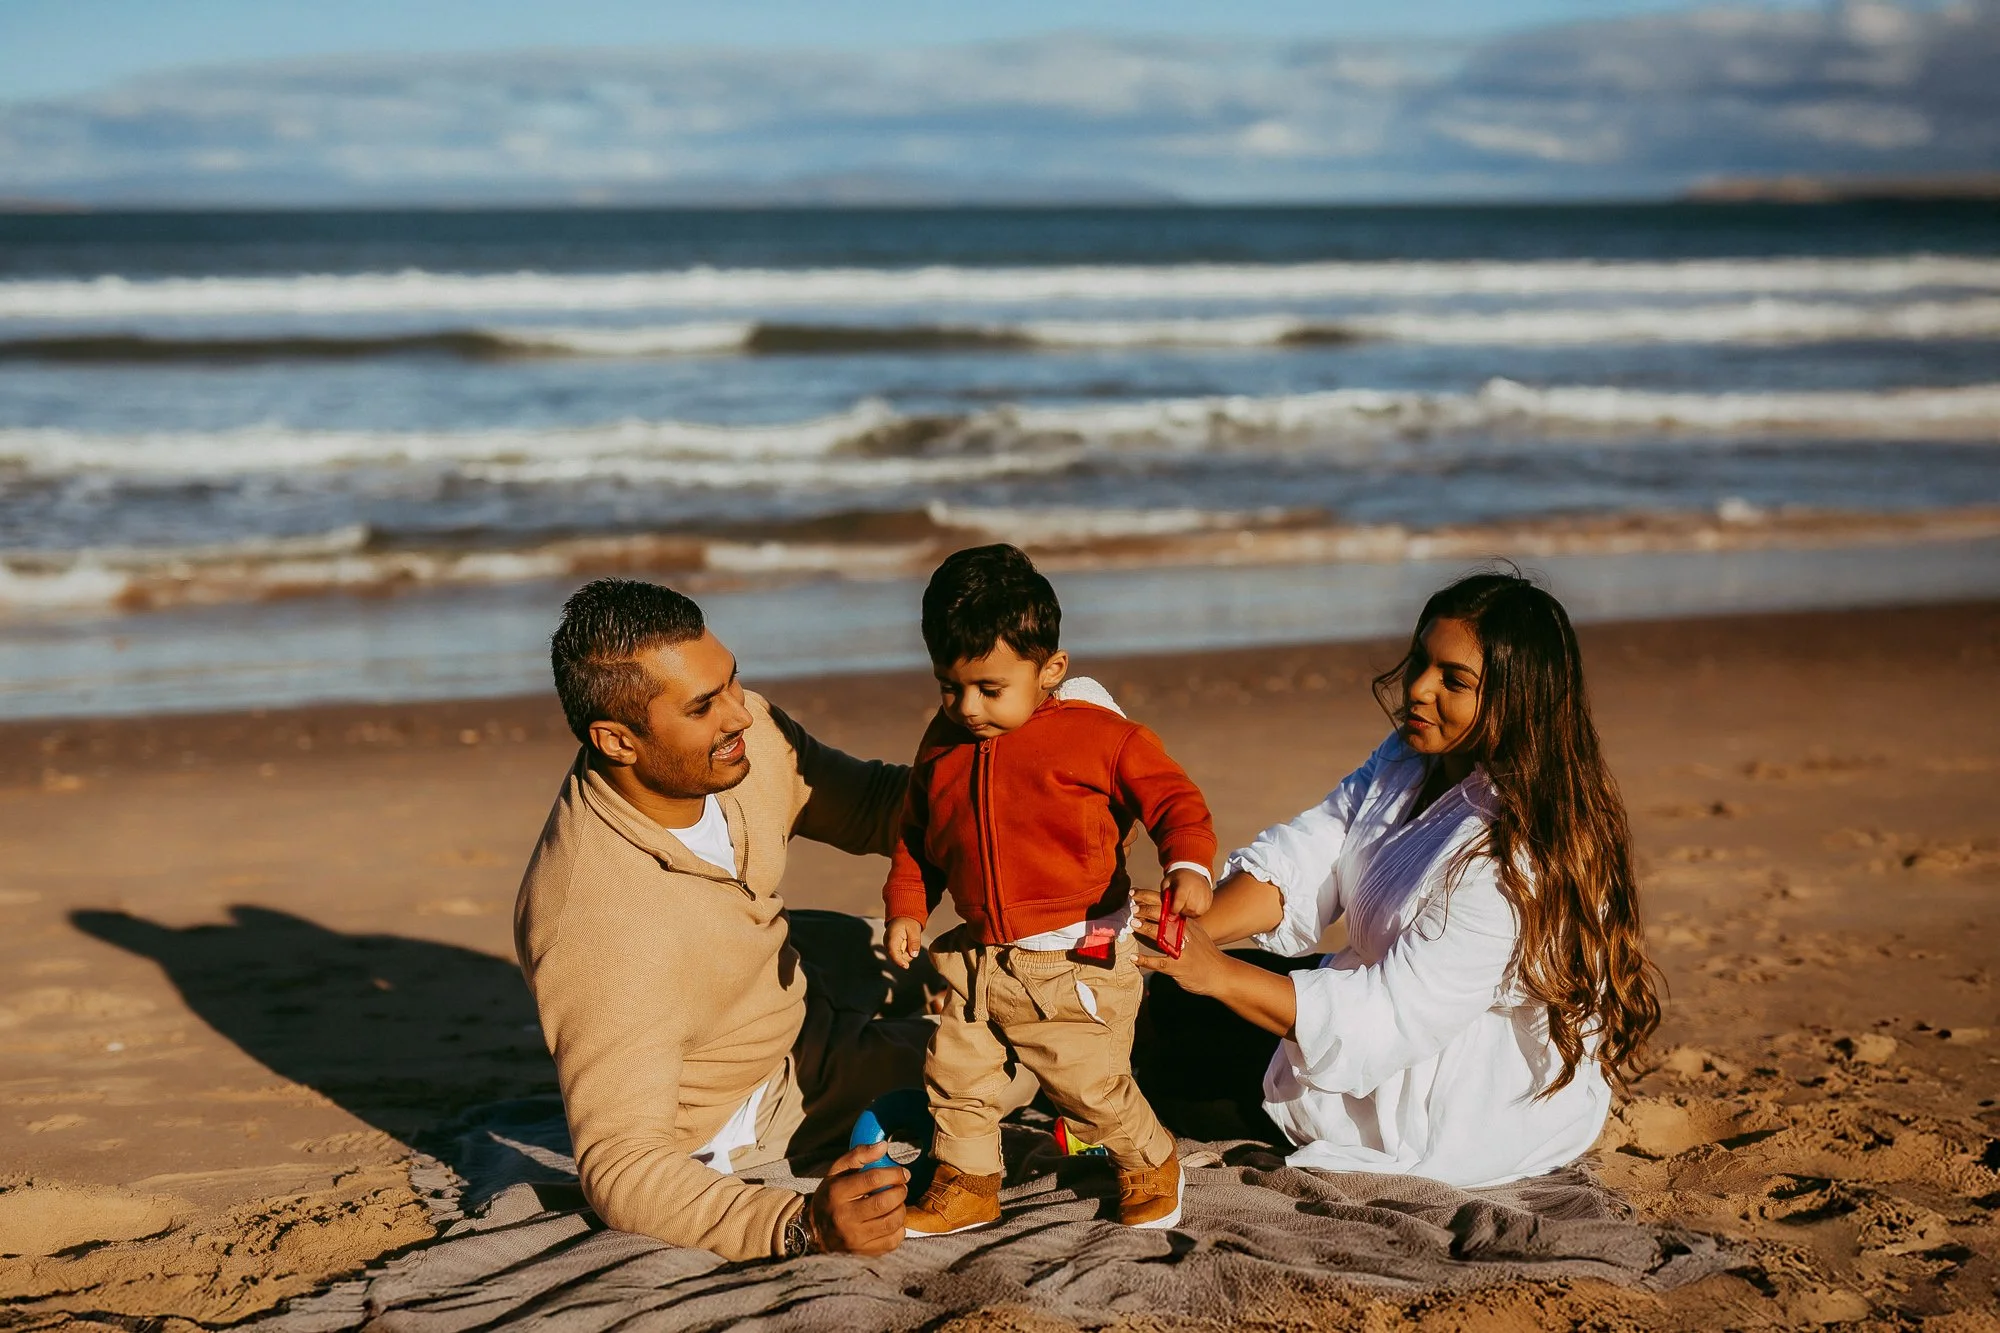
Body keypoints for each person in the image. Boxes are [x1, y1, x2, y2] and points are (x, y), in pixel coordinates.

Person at [1134, 570, 1662, 1187]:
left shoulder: (1515, 858)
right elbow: (1318, 851)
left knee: (1165, 1065)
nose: (1417, 689)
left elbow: (1389, 1018)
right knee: (1156, 1004)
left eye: (1453, 681)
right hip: (1370, 995)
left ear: (1519, 701)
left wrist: (1216, 972)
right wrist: (1183, 931)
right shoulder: (1415, 753)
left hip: (1446, 1090)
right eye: (1419, 661)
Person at [513, 577, 932, 1262]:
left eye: (732, 682)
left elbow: (875, 805)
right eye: (705, 706)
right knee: (1001, 1053)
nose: (741, 715)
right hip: (760, 1090)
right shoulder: (595, 920)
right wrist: (801, 1225)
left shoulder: (741, 736)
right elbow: (622, 1164)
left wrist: (1032, 799)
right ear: (618, 740)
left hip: (782, 965)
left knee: (985, 963)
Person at [882, 545, 1217, 1234]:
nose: (966, 707)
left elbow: (1173, 799)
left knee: (1085, 1080)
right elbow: (919, 835)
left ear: (1050, 669)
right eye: (950, 686)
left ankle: (1150, 1157)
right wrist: (908, 906)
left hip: (1077, 950)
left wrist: (1190, 863)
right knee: (956, 1075)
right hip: (981, 954)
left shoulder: (1096, 736)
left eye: (989, 688)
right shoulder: (941, 744)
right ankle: (968, 1181)